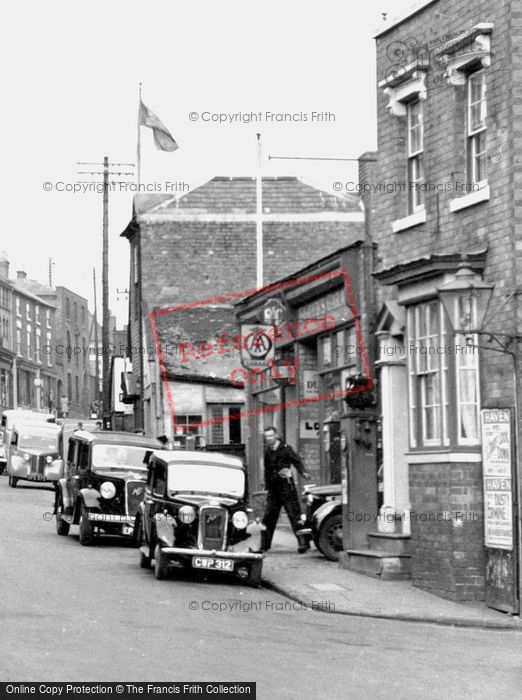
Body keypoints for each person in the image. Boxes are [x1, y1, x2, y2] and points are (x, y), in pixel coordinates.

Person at [262, 426, 311, 554]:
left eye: (271, 436)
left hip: (286, 487)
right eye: (267, 437)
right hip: (273, 489)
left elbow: (297, 461)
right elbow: (267, 470)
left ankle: (303, 543)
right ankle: (264, 545)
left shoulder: (286, 449)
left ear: (276, 435)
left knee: (294, 514)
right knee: (269, 516)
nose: (269, 439)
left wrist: (303, 472)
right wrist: (267, 488)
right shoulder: (267, 451)